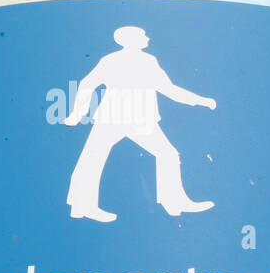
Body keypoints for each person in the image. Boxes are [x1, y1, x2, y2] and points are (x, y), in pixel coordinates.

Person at [63, 26, 216, 222]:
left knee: (166, 154)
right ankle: (82, 207)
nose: (147, 37)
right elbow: (87, 84)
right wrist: (77, 112)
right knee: (93, 158)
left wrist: (201, 100)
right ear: (131, 40)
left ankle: (175, 203)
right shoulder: (113, 60)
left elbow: (169, 89)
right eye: (143, 35)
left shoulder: (148, 61)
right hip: (114, 118)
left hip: (140, 120)